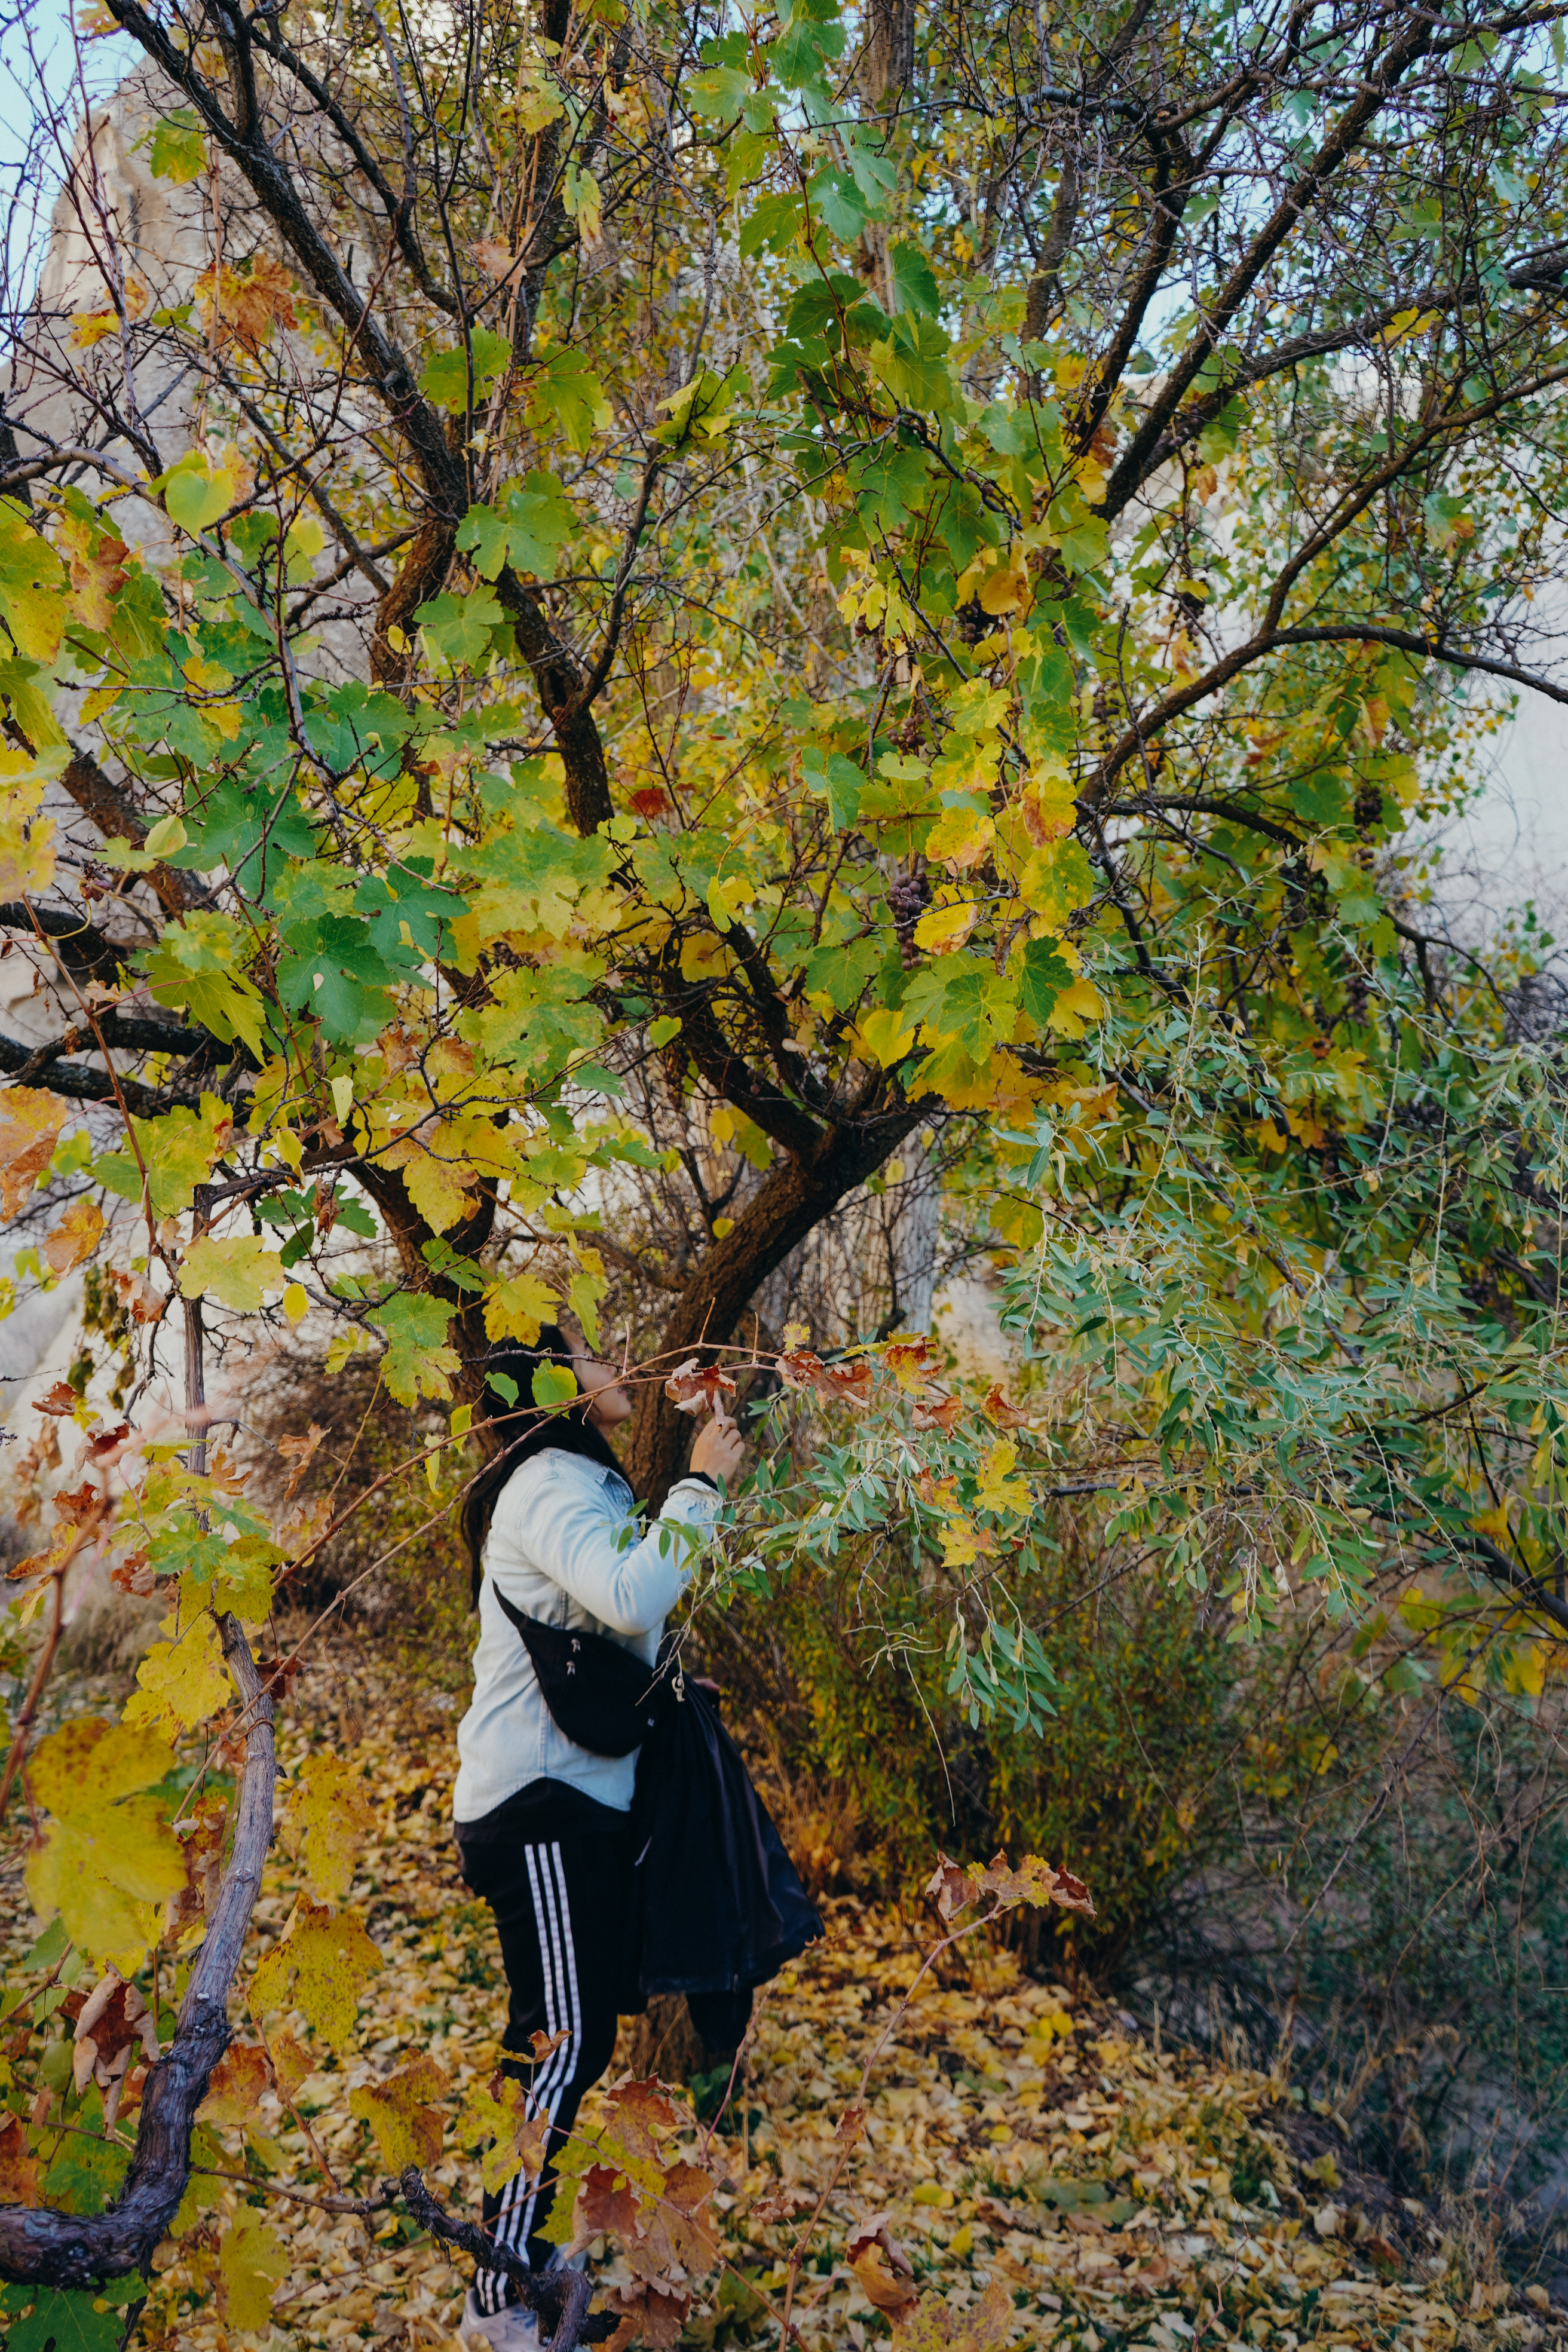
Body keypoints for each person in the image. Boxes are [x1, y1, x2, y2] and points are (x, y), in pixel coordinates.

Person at [452, 1324, 745, 2351]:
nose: (616, 1363)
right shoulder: (543, 1484)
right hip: (538, 1805)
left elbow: (615, 1628)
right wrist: (701, 1485)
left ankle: (513, 2260)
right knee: (564, 2038)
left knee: (558, 2036)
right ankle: (495, 2302)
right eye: (592, 1349)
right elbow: (631, 1591)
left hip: (567, 1805)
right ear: (549, 1381)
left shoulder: (583, 1481)